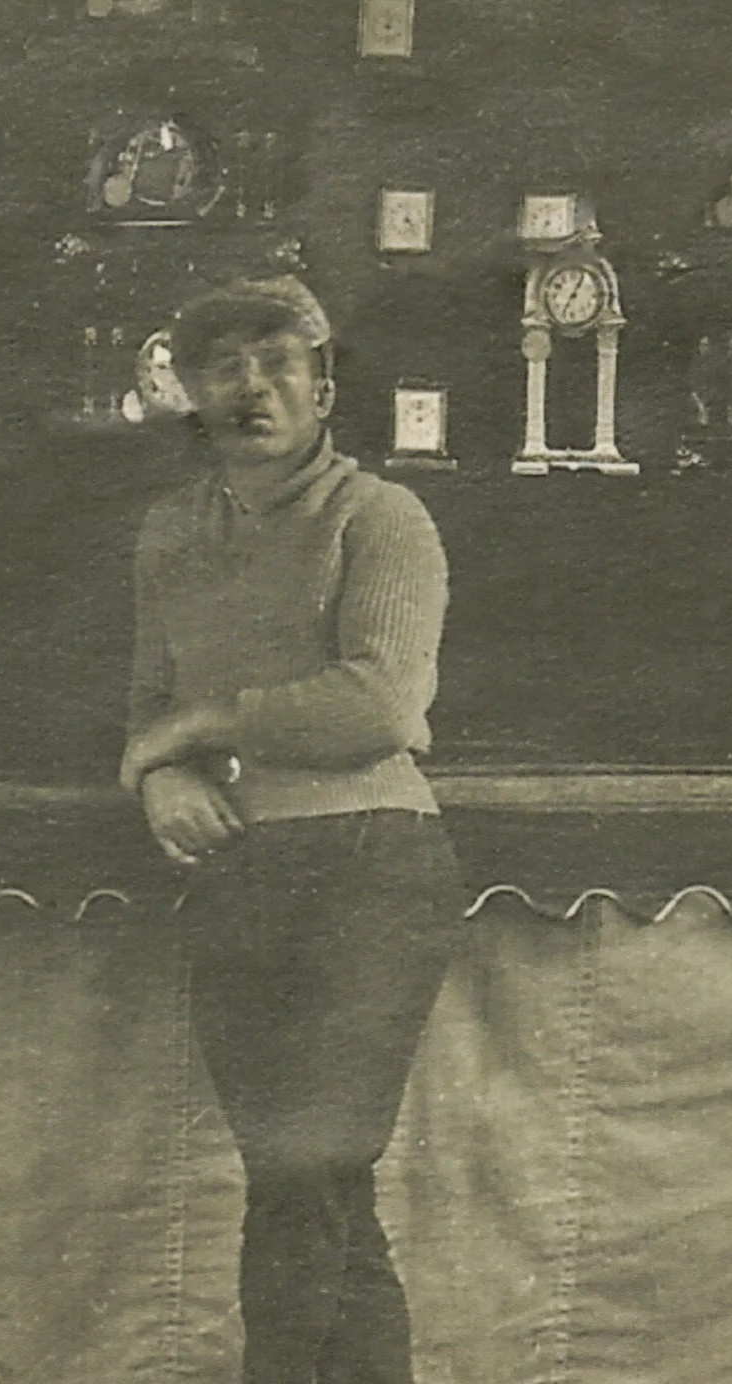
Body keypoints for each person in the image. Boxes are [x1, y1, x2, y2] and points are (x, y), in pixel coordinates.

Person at [116, 276, 465, 1384]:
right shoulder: (172, 531)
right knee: (318, 1192)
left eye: (278, 362)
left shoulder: (380, 516)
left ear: (324, 387)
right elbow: (148, 702)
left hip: (371, 869)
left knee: (304, 1177)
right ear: (191, 390)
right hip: (239, 874)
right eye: (224, 367)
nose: (252, 387)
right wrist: (161, 776)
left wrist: (201, 725)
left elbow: (380, 704)